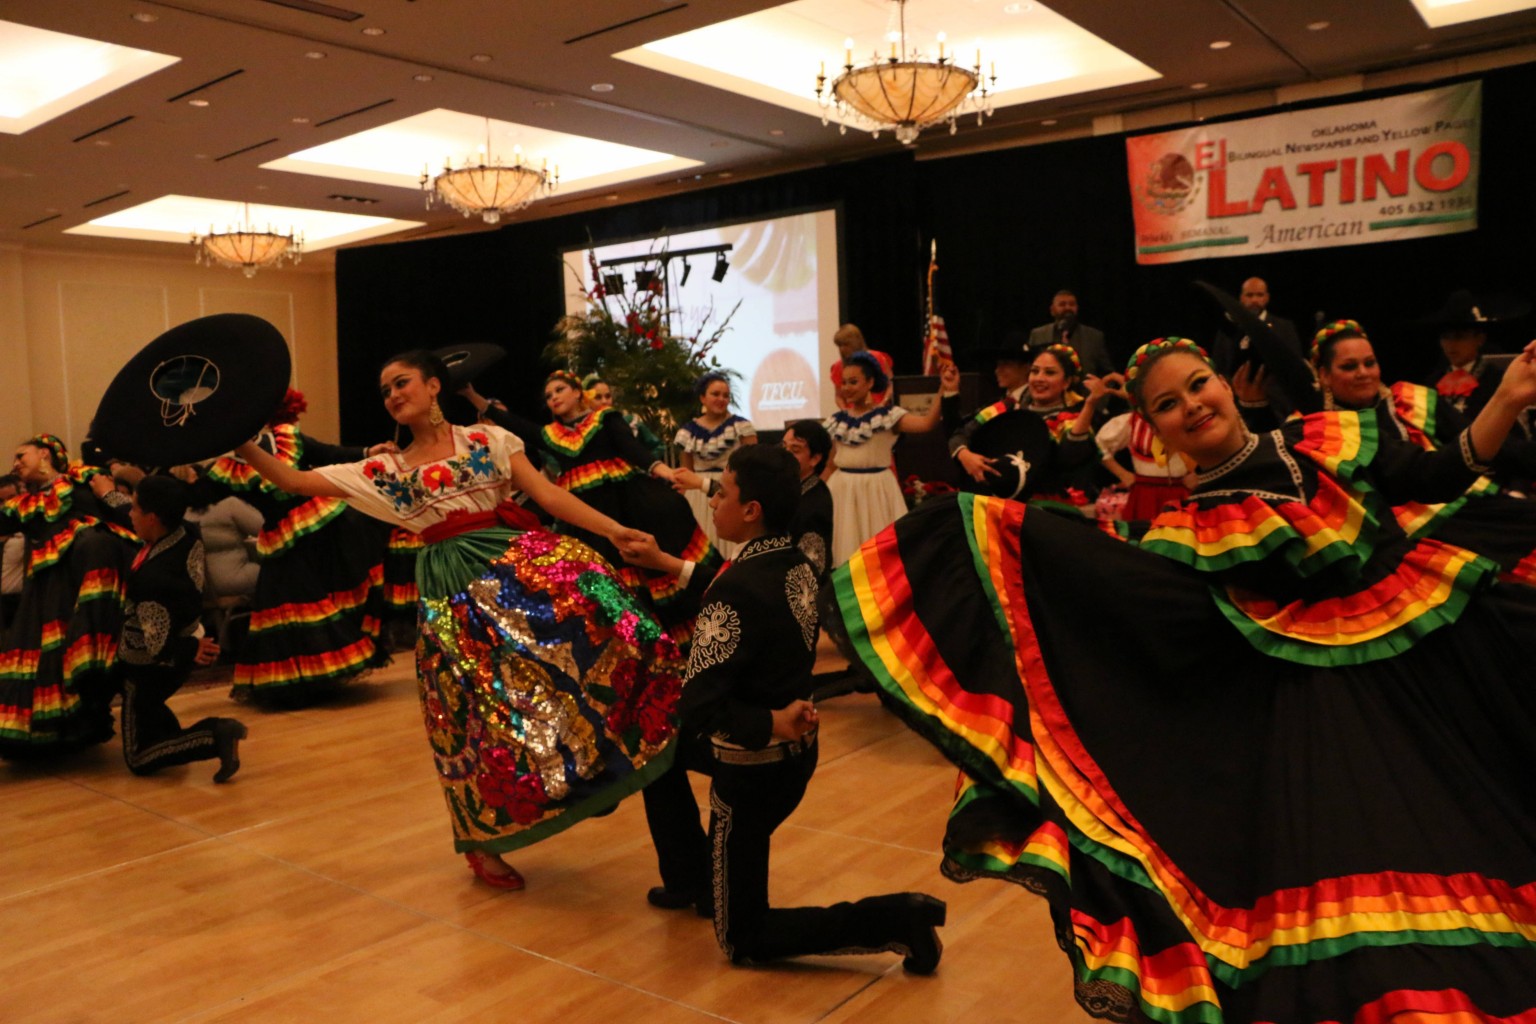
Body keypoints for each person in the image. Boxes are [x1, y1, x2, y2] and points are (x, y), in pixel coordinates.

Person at [828, 335, 1536, 1022]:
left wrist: (1505, 398)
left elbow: (1435, 475)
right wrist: (994, 533)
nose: (1193, 406)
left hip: (1422, 668)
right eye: (1168, 405)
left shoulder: (1318, 442)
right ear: (1155, 429)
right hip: (1323, 730)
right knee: (1381, 908)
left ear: (1226, 383)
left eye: (1199, 384)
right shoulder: (1188, 532)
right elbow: (1155, 637)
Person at [234, 350, 685, 892]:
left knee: (590, 655)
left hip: (520, 575)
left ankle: (590, 771)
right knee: (473, 718)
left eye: (402, 383)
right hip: (453, 599)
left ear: (432, 386)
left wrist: (614, 532)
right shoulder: (383, 471)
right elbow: (293, 480)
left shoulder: (488, 441)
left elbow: (548, 496)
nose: (393, 395)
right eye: (384, 390)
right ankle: (482, 844)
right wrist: (241, 440)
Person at [619, 445, 947, 972]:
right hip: (794, 756)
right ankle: (692, 878)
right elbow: (741, 591)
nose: (714, 503)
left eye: (721, 493)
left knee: (741, 940)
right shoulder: (789, 560)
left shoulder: (737, 592)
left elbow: (700, 704)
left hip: (751, 772)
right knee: (662, 753)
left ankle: (896, 919)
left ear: (751, 510)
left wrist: (765, 720)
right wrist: (665, 563)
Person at [463, 371, 720, 649]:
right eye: (549, 396)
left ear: (577, 392)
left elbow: (633, 449)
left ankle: (672, 648)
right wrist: (472, 396)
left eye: (559, 390)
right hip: (588, 523)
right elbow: (514, 423)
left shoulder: (605, 419)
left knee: (649, 573)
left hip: (629, 508)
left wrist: (664, 471)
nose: (554, 398)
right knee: (604, 587)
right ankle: (632, 655)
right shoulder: (551, 435)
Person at [198, 390, 389, 708]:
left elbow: (328, 453)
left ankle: (321, 679)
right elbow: (191, 499)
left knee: (324, 596)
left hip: (326, 529)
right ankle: (303, 682)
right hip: (284, 541)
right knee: (287, 605)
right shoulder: (224, 468)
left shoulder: (285, 437)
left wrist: (370, 450)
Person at [0, 435, 135, 757]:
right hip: (45, 591)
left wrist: (112, 492)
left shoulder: (85, 482)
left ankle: (80, 726)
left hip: (86, 588)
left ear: (45, 454)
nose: (15, 462)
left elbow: (126, 522)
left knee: (76, 653)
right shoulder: (25, 505)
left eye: (22, 455)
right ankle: (52, 737)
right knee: (44, 658)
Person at [119, 474, 246, 782]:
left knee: (139, 757)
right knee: (151, 716)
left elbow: (158, 649)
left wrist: (190, 649)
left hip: (149, 668)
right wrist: (109, 493)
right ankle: (170, 731)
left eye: (134, 508)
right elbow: (130, 514)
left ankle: (213, 735)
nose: (128, 513)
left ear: (152, 517)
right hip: (183, 643)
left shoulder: (152, 579)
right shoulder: (185, 532)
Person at [824, 352, 956, 566]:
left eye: (853, 382)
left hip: (876, 491)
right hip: (842, 492)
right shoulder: (836, 422)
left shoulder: (887, 416)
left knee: (880, 557)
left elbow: (926, 424)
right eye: (844, 382)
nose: (847, 387)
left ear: (870, 382)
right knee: (843, 554)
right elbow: (830, 464)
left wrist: (943, 389)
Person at [673, 371, 757, 559]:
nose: (721, 399)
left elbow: (754, 465)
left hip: (731, 492)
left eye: (726, 395)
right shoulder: (687, 432)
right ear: (702, 398)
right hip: (697, 496)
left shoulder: (741, 426)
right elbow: (687, 472)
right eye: (715, 394)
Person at [1208, 276, 1304, 418]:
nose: (1254, 300)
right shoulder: (1227, 330)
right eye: (1249, 295)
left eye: (1259, 295)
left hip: (1279, 409)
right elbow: (1219, 369)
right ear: (1241, 298)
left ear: (1267, 298)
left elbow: (1295, 369)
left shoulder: (1284, 327)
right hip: (1236, 408)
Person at [1420, 288, 1520, 418]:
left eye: (1459, 337)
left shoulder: (1498, 381)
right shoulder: (1431, 384)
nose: (1451, 344)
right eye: (1446, 337)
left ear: (1480, 339)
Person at [780, 419, 834, 581]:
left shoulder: (815, 503)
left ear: (815, 459)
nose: (785, 454)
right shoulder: (791, 486)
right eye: (784, 447)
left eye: (795, 450)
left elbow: (812, 568)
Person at [1026, 289, 1115, 377]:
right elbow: (1028, 368)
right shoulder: (1038, 334)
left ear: (1077, 308)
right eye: (1062, 304)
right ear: (1052, 310)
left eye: (1072, 304)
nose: (1068, 308)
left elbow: (1108, 373)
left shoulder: (1094, 337)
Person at [584, 373, 665, 464]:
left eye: (608, 396)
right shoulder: (583, 430)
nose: (604, 401)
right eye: (598, 397)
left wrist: (645, 464)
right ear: (587, 401)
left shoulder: (631, 421)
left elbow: (659, 446)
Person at [827, 324, 896, 410]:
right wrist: (846, 413)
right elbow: (839, 396)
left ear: (855, 342)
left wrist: (883, 404)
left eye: (845, 344)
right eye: (839, 345)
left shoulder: (877, 358)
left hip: (880, 410)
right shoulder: (838, 366)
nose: (842, 349)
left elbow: (892, 384)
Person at [0, 473, 23, 631]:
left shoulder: (29, 530)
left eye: (12, 497)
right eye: (1, 501)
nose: (7, 505)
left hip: (21, 602)